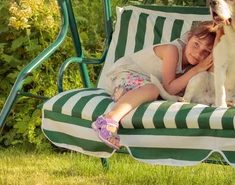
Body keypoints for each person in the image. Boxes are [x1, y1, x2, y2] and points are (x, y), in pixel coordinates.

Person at [92, 21, 218, 150]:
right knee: (152, 90)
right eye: (196, 44)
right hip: (123, 73)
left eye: (206, 52)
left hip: (142, 83)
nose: (198, 53)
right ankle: (109, 120)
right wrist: (197, 70)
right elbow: (169, 87)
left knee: (154, 91)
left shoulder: (191, 65)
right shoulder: (172, 50)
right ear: (189, 37)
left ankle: (124, 99)